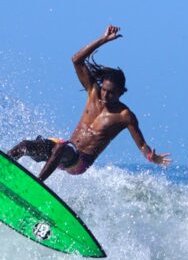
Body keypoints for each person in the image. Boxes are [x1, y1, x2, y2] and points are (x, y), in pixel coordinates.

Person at [9, 25, 171, 181]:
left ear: (121, 93)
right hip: (62, 153)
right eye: (104, 89)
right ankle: (0, 166)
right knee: (25, 146)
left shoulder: (124, 116)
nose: (106, 94)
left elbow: (142, 145)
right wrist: (104, 39)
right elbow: (76, 60)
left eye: (111, 92)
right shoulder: (93, 92)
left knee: (61, 147)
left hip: (79, 162)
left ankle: (37, 186)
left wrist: (151, 157)